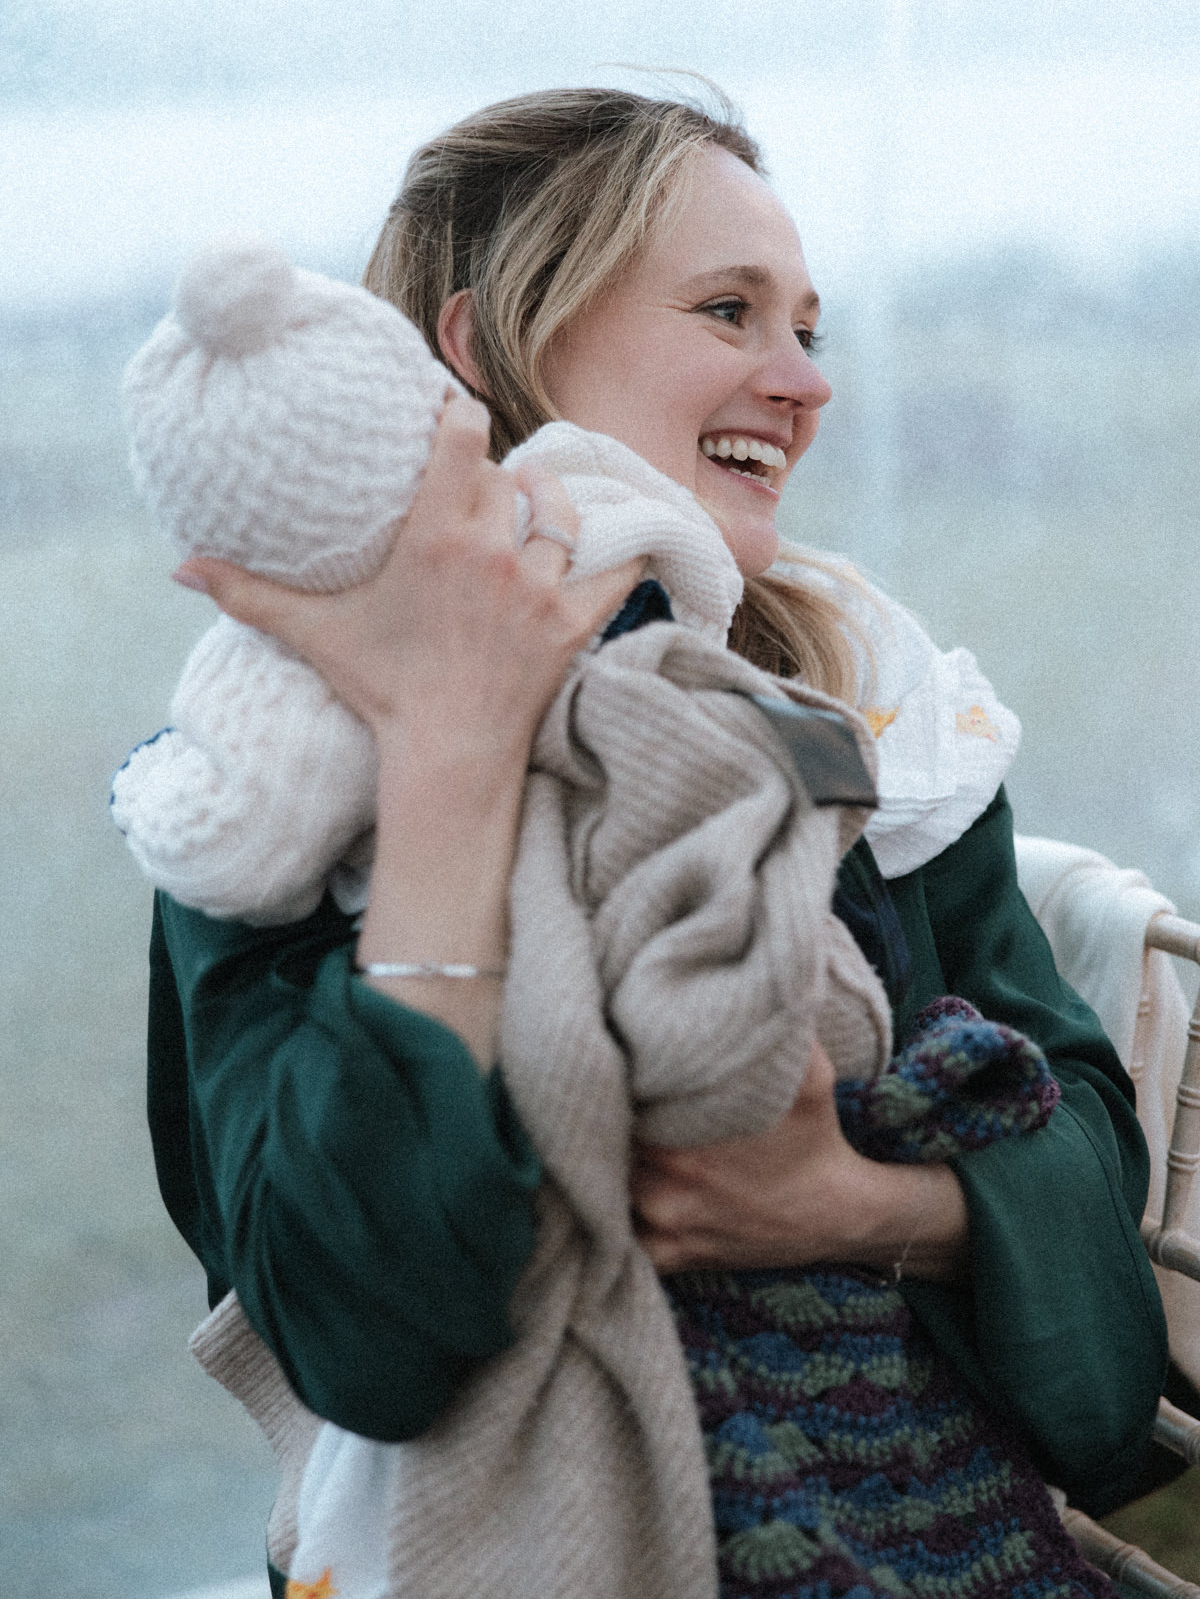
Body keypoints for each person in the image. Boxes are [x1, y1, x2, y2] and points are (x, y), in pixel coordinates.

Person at [144, 87, 1167, 1599]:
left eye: (808, 327)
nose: (805, 382)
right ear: (483, 343)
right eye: (729, 310)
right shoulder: (270, 777)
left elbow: (1085, 1159)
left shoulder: (864, 704)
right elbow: (368, 1333)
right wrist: (451, 751)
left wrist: (856, 1208)